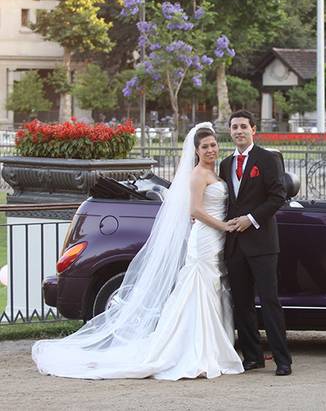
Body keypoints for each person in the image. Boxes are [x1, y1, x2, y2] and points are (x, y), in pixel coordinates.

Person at [31, 123, 244, 380]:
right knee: (200, 290)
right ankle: (197, 348)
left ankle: (212, 345)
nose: (211, 149)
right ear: (196, 151)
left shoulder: (217, 171)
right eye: (205, 146)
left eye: (213, 145)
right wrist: (223, 226)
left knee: (212, 289)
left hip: (217, 239)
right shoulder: (198, 174)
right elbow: (195, 211)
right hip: (207, 238)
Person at [220, 110, 292, 376]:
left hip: (262, 243)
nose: (239, 131)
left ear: (253, 130)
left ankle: (283, 360)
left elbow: (277, 197)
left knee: (270, 301)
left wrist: (251, 219)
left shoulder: (267, 159)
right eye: (234, 127)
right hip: (235, 244)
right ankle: (252, 356)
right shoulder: (225, 164)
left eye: (243, 127)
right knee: (242, 303)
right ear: (230, 131)